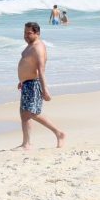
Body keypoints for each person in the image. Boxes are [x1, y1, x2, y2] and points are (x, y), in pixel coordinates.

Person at [14, 22, 66, 150]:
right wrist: (22, 80)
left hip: (34, 84)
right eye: (24, 33)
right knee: (24, 114)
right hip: (27, 83)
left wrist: (45, 89)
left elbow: (41, 70)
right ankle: (26, 143)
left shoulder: (38, 47)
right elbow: (28, 65)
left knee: (31, 113)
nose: (25, 36)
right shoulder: (30, 46)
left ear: (37, 33)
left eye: (29, 33)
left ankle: (59, 133)